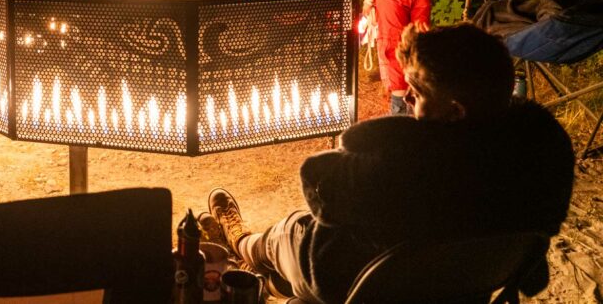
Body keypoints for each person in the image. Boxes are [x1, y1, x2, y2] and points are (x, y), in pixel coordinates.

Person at [207, 23, 574, 304]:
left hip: (346, 279)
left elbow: (318, 184)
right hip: (460, 289)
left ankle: (241, 243)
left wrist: (377, 137)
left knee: (289, 230)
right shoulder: (538, 157)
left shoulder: (407, 166)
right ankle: (266, 284)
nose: (408, 96)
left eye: (419, 90)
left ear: (455, 110)